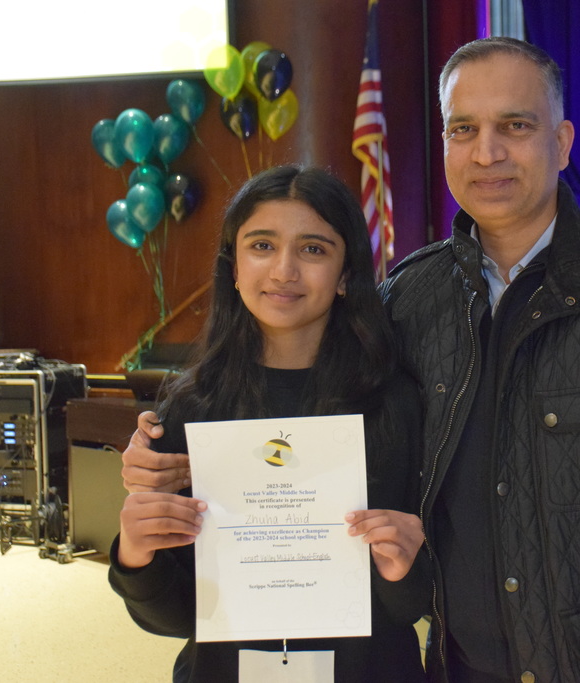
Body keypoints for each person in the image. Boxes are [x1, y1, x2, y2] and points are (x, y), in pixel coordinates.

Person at [123, 37, 580, 682]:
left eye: (515, 125)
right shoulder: (413, 297)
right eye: (464, 129)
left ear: (563, 142)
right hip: (457, 666)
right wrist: (153, 474)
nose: (487, 152)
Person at [108, 165, 430, 683]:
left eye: (313, 249)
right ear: (233, 267)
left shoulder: (396, 404)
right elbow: (169, 618)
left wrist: (403, 570)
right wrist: (136, 552)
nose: (283, 270)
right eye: (261, 245)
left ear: (346, 274)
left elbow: (413, 605)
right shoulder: (192, 407)